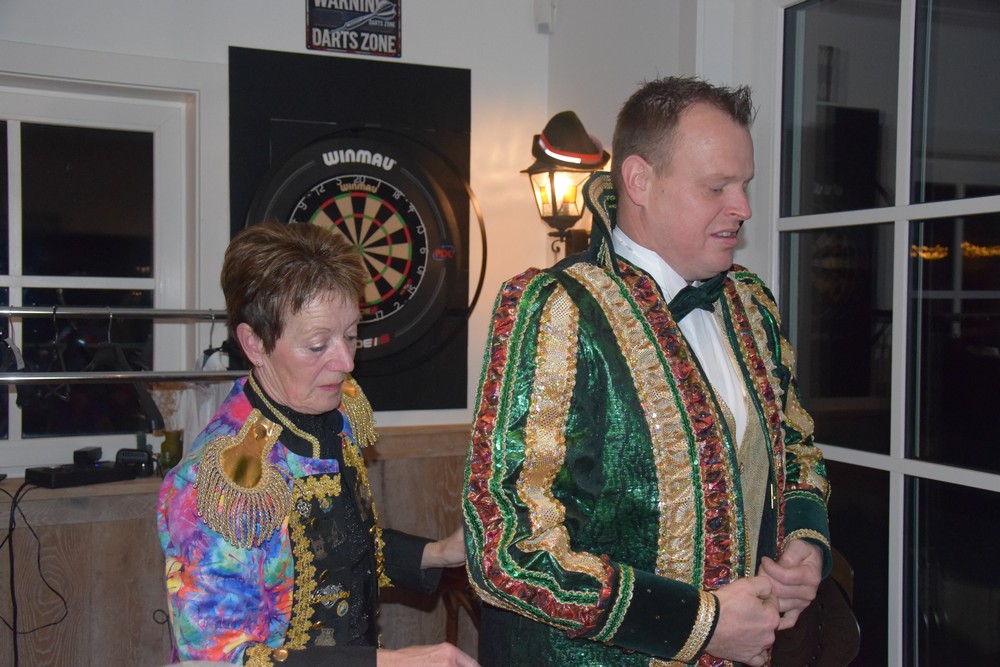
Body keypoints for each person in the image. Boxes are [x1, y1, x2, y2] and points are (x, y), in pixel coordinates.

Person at [463, 76, 831, 666]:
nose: (743, 208)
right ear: (638, 181)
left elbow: (796, 447)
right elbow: (506, 548)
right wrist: (700, 624)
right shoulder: (558, 308)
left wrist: (805, 543)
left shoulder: (751, 304)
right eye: (717, 187)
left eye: (744, 185)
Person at [158, 221, 477, 666]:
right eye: (317, 345)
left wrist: (439, 553)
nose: (345, 362)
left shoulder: (332, 415)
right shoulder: (215, 482)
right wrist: (390, 663)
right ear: (254, 343)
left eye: (350, 336)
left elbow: (338, 551)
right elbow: (215, 659)